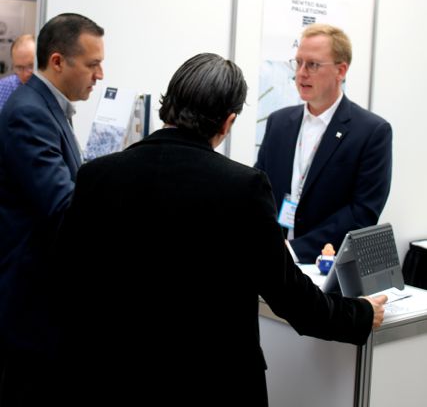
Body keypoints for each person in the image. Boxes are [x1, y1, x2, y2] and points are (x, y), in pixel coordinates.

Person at [52, 52, 386, 407]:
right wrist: (360, 314)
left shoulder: (97, 175)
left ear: (169, 103)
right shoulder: (242, 187)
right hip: (214, 384)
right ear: (227, 122)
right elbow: (293, 299)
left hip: (110, 380)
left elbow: (67, 276)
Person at [0, 13, 104, 405]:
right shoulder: (30, 112)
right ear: (58, 61)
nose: (100, 75)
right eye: (92, 65)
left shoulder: (48, 107)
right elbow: (62, 205)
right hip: (32, 308)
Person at [256, 23, 393, 264]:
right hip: (272, 261)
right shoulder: (279, 122)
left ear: (341, 70)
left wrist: (294, 250)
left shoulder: (371, 132)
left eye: (313, 64)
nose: (301, 73)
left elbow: (362, 212)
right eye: (298, 63)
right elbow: (259, 190)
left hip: (326, 267)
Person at [0, 34, 35, 111]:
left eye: (31, 66)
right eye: (19, 68)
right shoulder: (3, 88)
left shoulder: (53, 87)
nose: (26, 74)